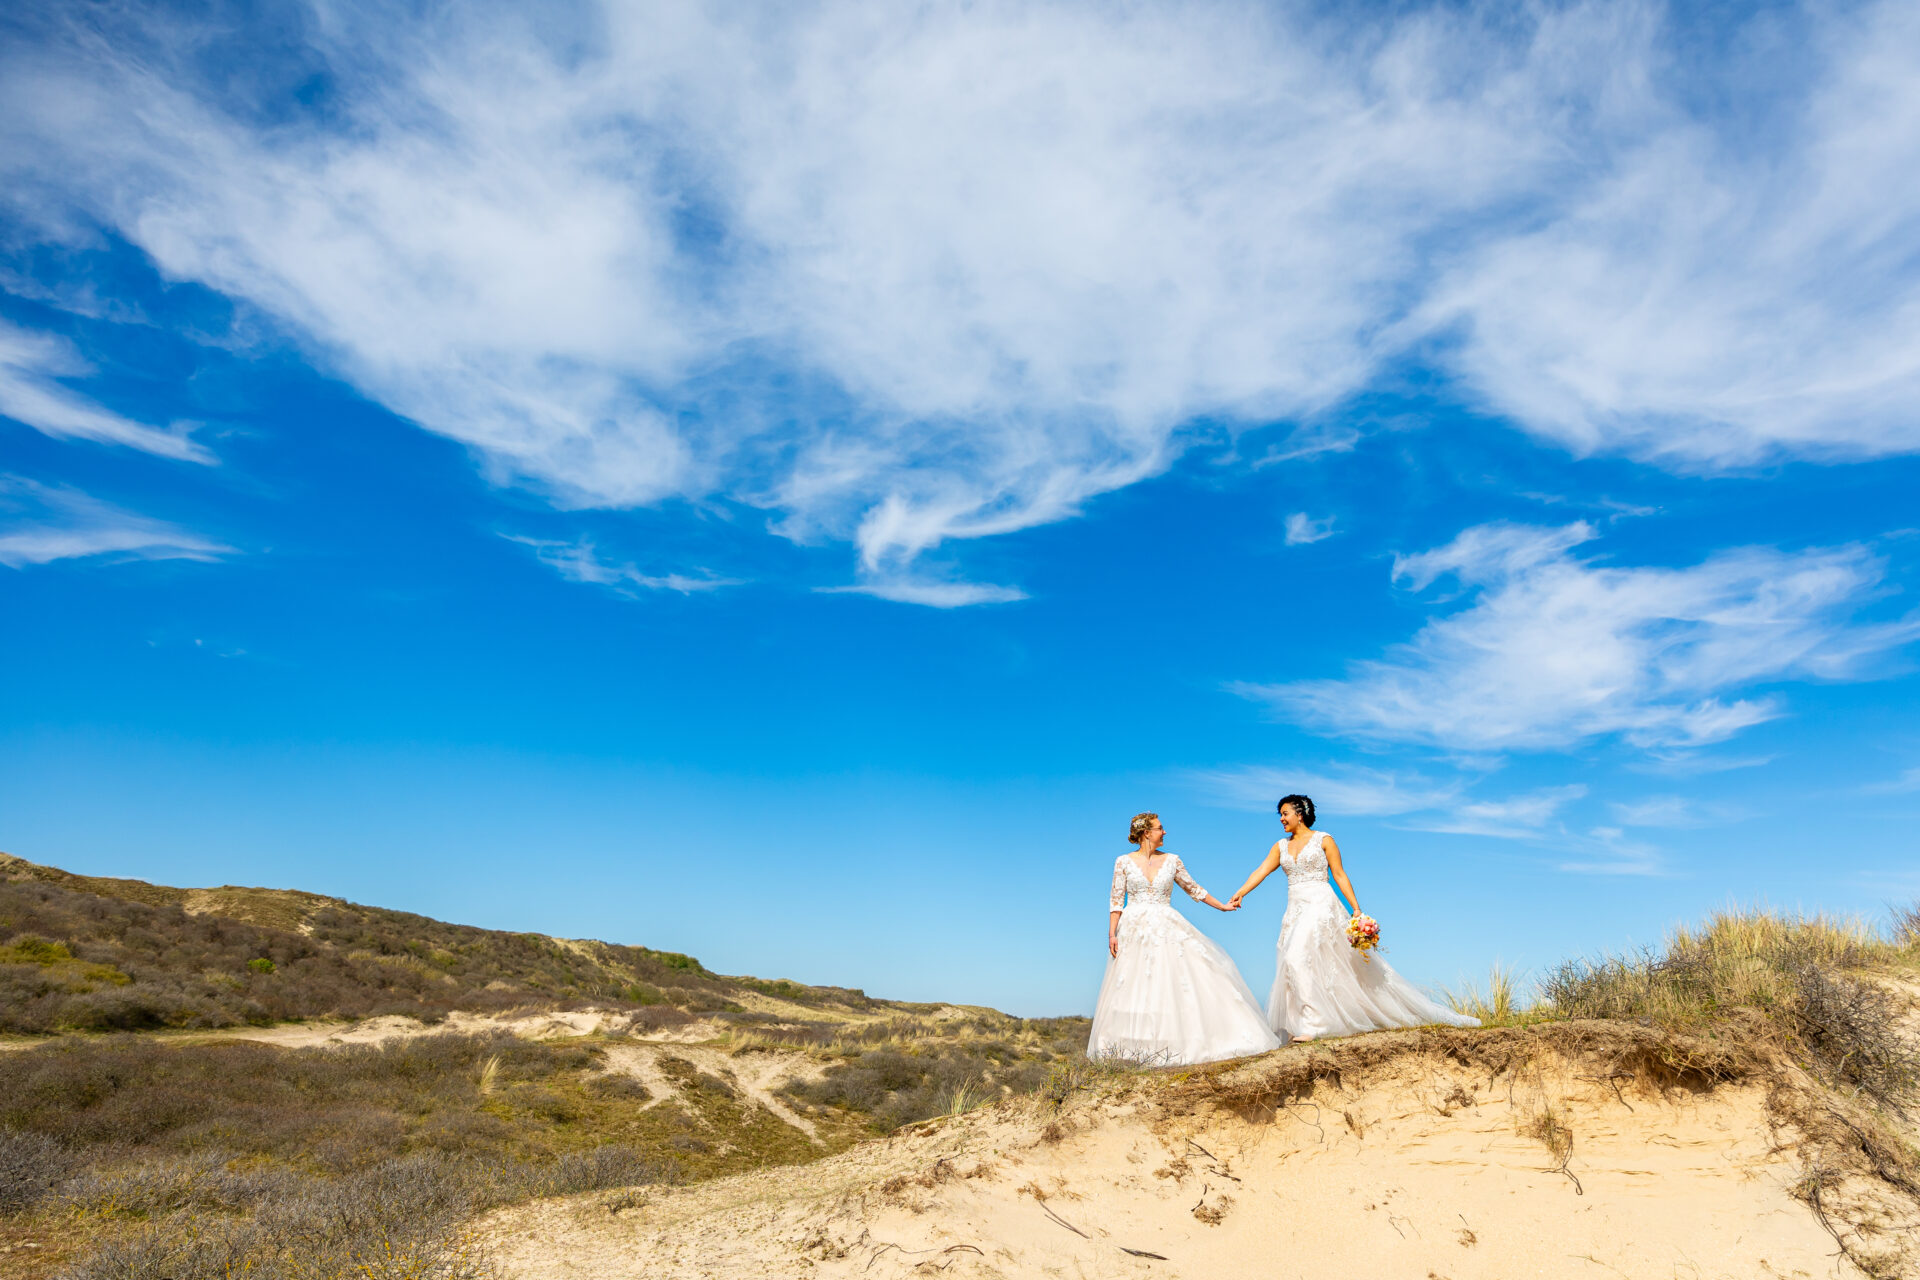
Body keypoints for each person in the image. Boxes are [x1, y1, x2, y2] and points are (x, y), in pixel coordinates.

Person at [1229, 794, 1478, 1043]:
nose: (1282, 819)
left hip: (1320, 904)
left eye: (1285, 813)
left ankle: (1317, 1023)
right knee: (1296, 963)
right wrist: (1241, 892)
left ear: (1299, 814)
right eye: (1280, 815)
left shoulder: (1323, 840)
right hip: (1294, 909)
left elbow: (1339, 875)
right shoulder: (1280, 846)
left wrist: (1356, 910)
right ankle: (1304, 1022)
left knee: (1296, 956)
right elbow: (1261, 870)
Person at [1087, 812, 1282, 1065]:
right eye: (1160, 828)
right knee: (1134, 986)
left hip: (1166, 924)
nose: (1164, 832)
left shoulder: (1172, 860)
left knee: (1171, 982)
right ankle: (1131, 1050)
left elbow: (1194, 889)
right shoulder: (1122, 862)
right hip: (1133, 928)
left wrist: (1222, 906)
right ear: (1147, 833)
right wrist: (1112, 934)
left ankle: (1176, 1046)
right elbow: (1116, 901)